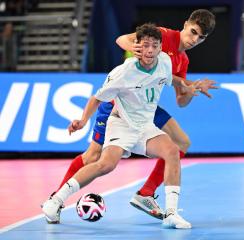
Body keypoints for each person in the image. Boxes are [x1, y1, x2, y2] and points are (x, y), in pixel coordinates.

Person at [45, 9, 217, 223]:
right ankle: (56, 199)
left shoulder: (179, 60)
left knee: (180, 143)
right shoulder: (161, 37)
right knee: (94, 157)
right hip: (120, 101)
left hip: (146, 106)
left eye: (201, 37)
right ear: (185, 24)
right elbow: (121, 40)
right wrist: (138, 49)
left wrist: (191, 89)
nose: (194, 39)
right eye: (193, 32)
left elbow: (180, 99)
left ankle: (148, 196)